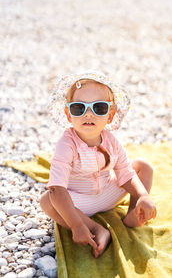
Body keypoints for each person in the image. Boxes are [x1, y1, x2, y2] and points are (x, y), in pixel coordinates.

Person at [40, 71, 157, 258]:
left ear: (110, 116)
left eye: (99, 108)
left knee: (143, 166)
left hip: (108, 192)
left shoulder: (111, 141)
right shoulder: (67, 144)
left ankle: (135, 211)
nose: (88, 114)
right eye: (79, 108)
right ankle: (96, 228)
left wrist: (142, 194)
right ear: (69, 115)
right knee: (48, 199)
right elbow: (58, 189)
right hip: (80, 202)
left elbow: (125, 173)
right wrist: (76, 225)